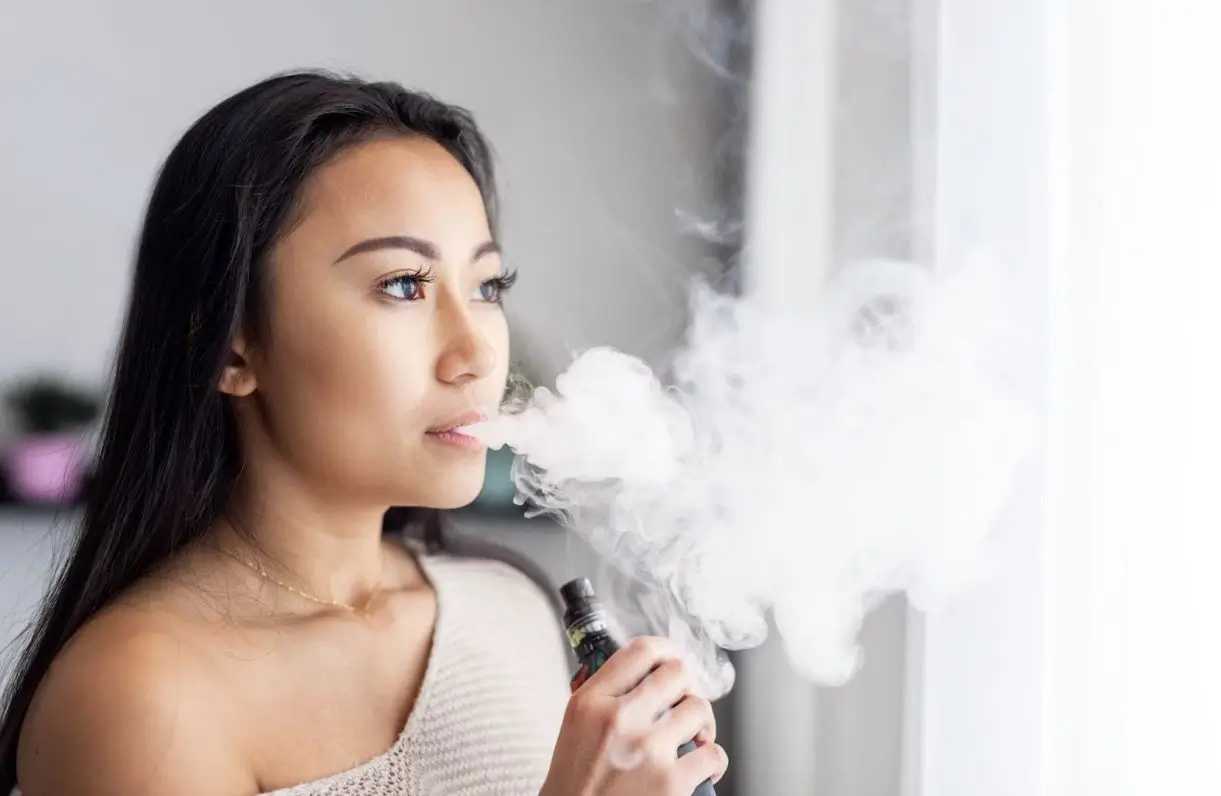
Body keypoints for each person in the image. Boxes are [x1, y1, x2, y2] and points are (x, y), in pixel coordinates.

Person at [0, 71, 728, 796]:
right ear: (230, 348)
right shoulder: (136, 697)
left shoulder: (511, 605)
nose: (476, 355)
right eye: (403, 285)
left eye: (486, 288)